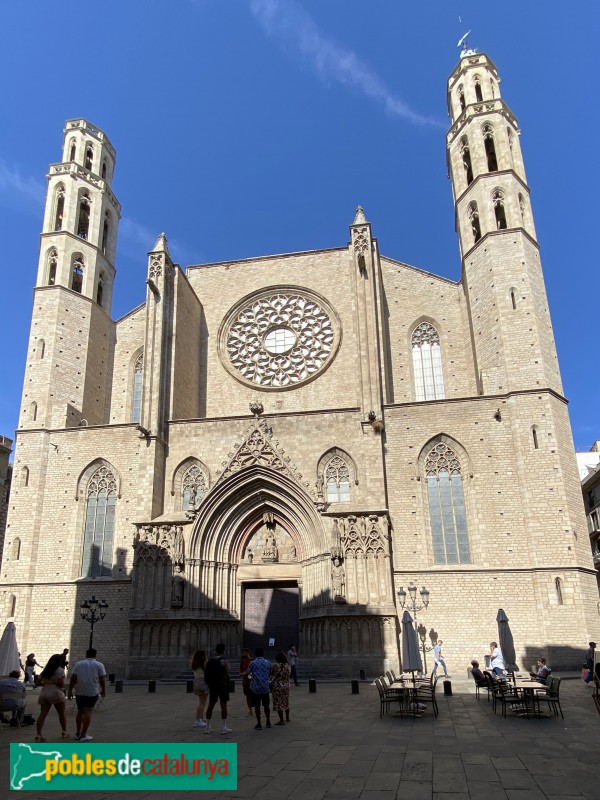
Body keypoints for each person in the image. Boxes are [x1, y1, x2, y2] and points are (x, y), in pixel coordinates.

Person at [67, 647, 106, 742]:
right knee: (88, 711)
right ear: (95, 655)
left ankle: (78, 733)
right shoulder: (99, 665)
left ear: (86, 654)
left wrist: (70, 690)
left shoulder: (79, 664)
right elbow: (102, 679)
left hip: (80, 691)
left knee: (80, 711)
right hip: (92, 691)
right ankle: (84, 735)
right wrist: (103, 690)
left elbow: (73, 678)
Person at [36, 654, 69, 742]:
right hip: (55, 692)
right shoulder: (60, 671)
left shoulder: (45, 671)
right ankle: (64, 731)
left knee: (42, 714)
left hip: (45, 692)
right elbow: (60, 683)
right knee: (61, 713)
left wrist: (46, 683)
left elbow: (37, 682)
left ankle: (39, 734)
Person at [203, 643, 232, 735]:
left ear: (216, 650)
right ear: (223, 650)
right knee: (223, 705)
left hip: (213, 685)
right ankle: (223, 727)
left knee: (211, 705)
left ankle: (207, 727)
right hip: (222, 685)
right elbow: (227, 671)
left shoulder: (210, 661)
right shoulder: (223, 661)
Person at [248, 647, 272, 730]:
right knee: (266, 705)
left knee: (257, 706)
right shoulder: (268, 663)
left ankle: (259, 723)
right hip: (265, 686)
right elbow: (270, 673)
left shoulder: (252, 663)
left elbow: (249, 674)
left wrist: (251, 677)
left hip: (255, 687)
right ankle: (268, 721)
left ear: (255, 654)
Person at [271, 652, 291, 725]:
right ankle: (287, 717)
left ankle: (281, 720)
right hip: (286, 685)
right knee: (286, 701)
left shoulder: (276, 665)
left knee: (278, 702)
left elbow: (272, 674)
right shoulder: (288, 665)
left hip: (278, 686)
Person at [190, 650, 209, 728]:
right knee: (202, 702)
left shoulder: (194, 663)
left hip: (197, 681)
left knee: (202, 702)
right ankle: (197, 720)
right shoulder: (203, 663)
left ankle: (200, 718)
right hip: (202, 682)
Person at [239, 648, 254, 716]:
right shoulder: (242, 661)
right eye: (242, 653)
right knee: (248, 696)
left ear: (248, 653)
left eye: (244, 652)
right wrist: (242, 675)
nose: (243, 654)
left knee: (254, 696)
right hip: (246, 681)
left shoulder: (252, 660)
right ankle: (250, 710)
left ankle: (256, 709)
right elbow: (241, 670)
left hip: (252, 681)